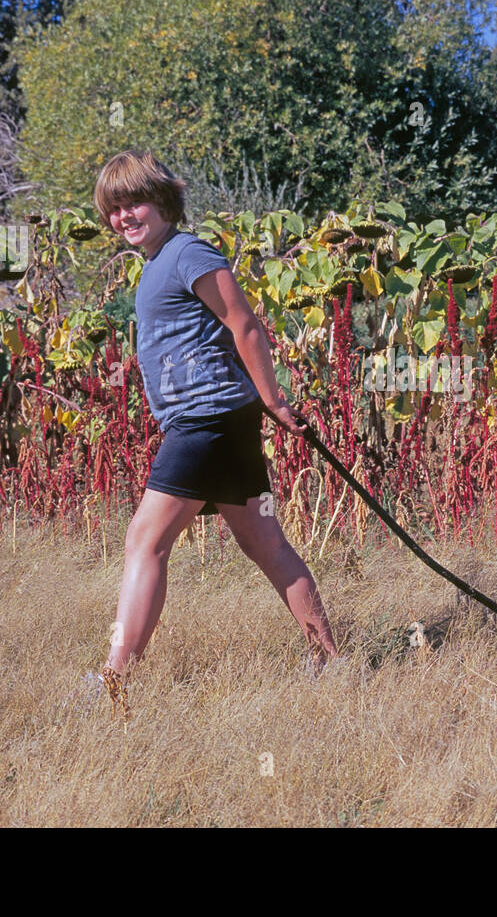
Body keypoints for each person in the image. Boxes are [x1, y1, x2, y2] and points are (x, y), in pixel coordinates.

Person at [85, 149, 339, 713]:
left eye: (136, 203)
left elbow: (243, 324)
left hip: (208, 419)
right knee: (264, 541)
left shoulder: (187, 252)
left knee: (144, 542)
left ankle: (113, 680)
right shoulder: (157, 262)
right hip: (217, 420)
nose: (125, 216)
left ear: (165, 202)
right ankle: (330, 661)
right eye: (115, 208)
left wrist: (274, 400)